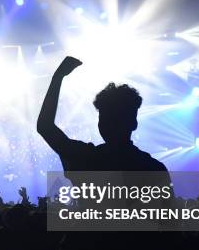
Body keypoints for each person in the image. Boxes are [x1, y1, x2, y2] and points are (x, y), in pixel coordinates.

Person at [37, 56, 168, 173]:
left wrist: (58, 77)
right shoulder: (154, 168)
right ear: (134, 123)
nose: (110, 125)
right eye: (106, 118)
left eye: (110, 119)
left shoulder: (87, 158)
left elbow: (45, 127)